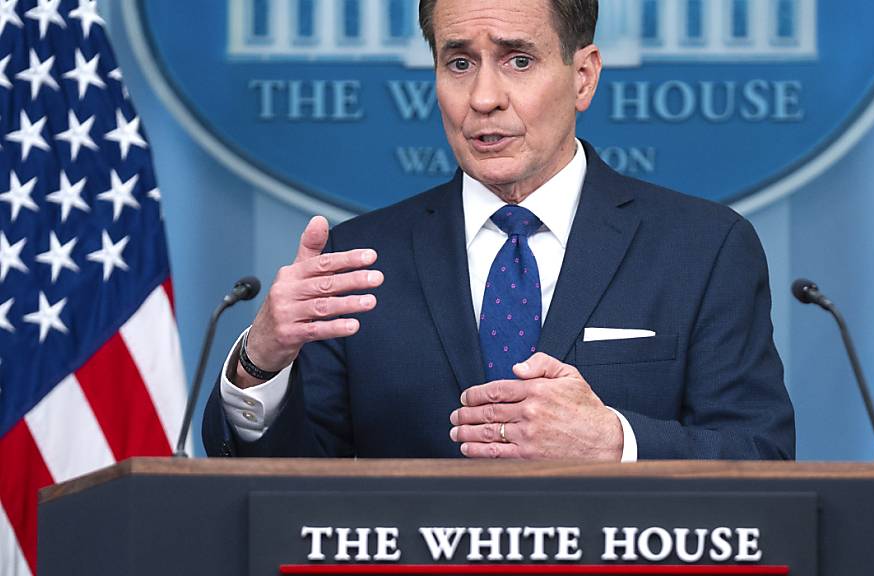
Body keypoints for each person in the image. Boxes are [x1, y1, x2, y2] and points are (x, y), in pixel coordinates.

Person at [202, 0, 795, 461]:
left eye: (518, 60)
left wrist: (616, 444)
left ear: (583, 77)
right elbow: (287, 491)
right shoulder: (360, 261)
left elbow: (759, 457)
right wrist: (262, 363)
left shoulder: (703, 248)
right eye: (459, 63)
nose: (483, 98)